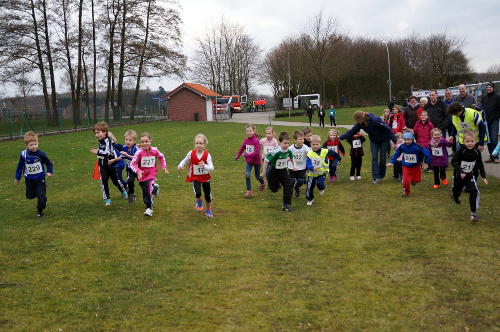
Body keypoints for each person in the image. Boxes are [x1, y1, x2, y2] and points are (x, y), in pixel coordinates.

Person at [340, 110, 397, 184]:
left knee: (383, 158)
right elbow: (351, 131)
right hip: (374, 141)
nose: (357, 122)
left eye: (358, 120)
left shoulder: (375, 120)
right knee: (374, 158)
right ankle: (376, 178)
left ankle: (381, 175)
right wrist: (340, 137)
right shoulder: (360, 124)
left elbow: (388, 129)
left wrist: (395, 141)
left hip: (384, 140)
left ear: (362, 118)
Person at [14, 131, 53, 218]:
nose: (34, 146)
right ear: (26, 146)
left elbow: (49, 163)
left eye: (35, 144)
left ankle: (40, 211)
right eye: (31, 145)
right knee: (30, 196)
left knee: (41, 197)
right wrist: (17, 177)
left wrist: (49, 171)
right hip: (29, 179)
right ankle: (41, 196)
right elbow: (20, 166)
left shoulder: (41, 154)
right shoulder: (23, 154)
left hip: (40, 178)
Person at [451, 131, 488, 222]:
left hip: (470, 175)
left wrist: (483, 176)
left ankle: (473, 213)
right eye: (467, 141)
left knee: (474, 191)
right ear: (464, 142)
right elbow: (453, 161)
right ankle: (455, 196)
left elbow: (480, 164)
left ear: (475, 142)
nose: (470, 143)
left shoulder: (476, 151)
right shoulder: (461, 150)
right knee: (456, 192)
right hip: (459, 175)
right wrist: (461, 170)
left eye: (472, 141)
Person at [130, 132, 169, 217]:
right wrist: (138, 171)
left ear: (150, 141)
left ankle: (149, 208)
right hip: (142, 175)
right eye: (142, 142)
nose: (144, 143)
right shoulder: (139, 152)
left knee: (148, 188)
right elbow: (132, 164)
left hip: (152, 174)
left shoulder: (154, 150)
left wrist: (164, 167)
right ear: (140, 143)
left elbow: (161, 157)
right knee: (145, 191)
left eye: (146, 141)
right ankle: (155, 188)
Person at [89, 121, 127, 206]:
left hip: (110, 164)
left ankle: (123, 190)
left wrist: (97, 152)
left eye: (98, 133)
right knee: (103, 180)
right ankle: (107, 199)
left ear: (105, 132)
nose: (96, 135)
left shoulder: (108, 141)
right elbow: (101, 152)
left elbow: (107, 153)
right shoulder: (100, 141)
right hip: (102, 164)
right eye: (95, 133)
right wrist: (98, 154)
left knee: (115, 181)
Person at [177, 133, 214, 218]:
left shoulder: (207, 155)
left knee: (208, 195)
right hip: (195, 177)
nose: (198, 145)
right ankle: (199, 201)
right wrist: (180, 165)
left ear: (204, 145)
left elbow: (211, 168)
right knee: (198, 193)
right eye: (197, 143)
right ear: (194, 144)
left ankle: (208, 210)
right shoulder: (191, 153)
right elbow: (185, 160)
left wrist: (204, 166)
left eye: (201, 143)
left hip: (205, 178)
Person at [261, 132, 297, 212]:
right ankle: (275, 184)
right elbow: (266, 160)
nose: (286, 145)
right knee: (274, 189)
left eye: (288, 143)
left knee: (288, 186)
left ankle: (286, 205)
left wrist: (294, 165)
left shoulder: (288, 151)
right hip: (274, 171)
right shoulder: (276, 152)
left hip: (283, 171)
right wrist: (264, 172)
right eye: (285, 143)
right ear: (280, 142)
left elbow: (292, 157)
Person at [387, 132, 429, 197]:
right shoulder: (402, 146)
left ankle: (413, 181)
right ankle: (406, 192)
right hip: (406, 166)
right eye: (405, 140)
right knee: (406, 181)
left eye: (408, 139)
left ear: (412, 139)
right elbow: (396, 154)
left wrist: (426, 162)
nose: (407, 141)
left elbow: (427, 153)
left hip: (416, 166)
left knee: (417, 180)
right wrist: (392, 161)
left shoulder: (417, 147)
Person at [305, 135, 341, 206]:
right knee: (309, 187)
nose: (315, 146)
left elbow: (334, 154)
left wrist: (338, 159)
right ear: (310, 145)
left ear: (320, 144)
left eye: (317, 144)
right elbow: (307, 163)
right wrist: (312, 167)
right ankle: (310, 199)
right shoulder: (309, 153)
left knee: (320, 184)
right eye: (313, 145)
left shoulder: (325, 151)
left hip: (321, 173)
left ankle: (321, 189)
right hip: (312, 174)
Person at [234, 124, 266, 197]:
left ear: (254, 131)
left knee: (257, 176)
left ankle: (263, 183)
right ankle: (249, 191)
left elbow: (256, 153)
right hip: (249, 162)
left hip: (257, 162)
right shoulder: (246, 140)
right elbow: (242, 148)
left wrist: (246, 155)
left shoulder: (256, 141)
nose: (249, 132)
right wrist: (238, 155)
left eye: (250, 131)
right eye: (247, 131)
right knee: (247, 175)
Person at [480, 82, 500, 163]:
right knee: (488, 140)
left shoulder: (497, 97)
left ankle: (496, 156)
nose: (488, 88)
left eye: (490, 87)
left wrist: (496, 116)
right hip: (485, 122)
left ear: (493, 88)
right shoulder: (484, 98)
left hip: (494, 121)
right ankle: (491, 156)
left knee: (494, 139)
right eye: (487, 87)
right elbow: (481, 108)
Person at [119, 130, 139, 203]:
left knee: (142, 183)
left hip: (138, 169)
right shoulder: (124, 147)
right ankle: (132, 194)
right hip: (130, 169)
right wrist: (114, 160)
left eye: (130, 140)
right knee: (129, 181)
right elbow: (122, 156)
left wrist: (127, 155)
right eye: (126, 140)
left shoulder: (136, 148)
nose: (128, 141)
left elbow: (136, 158)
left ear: (134, 141)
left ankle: (153, 187)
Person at [288, 130, 310, 197]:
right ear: (295, 140)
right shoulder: (291, 148)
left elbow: (310, 154)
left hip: (302, 167)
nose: (302, 140)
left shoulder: (305, 147)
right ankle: (290, 192)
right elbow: (286, 154)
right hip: (292, 167)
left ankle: (296, 188)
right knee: (291, 182)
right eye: (300, 139)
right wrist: (288, 158)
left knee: (300, 182)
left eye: (303, 138)